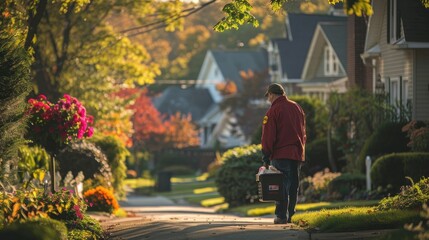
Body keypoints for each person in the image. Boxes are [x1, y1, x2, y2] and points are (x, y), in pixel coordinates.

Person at [261, 83, 306, 224]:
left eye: (268, 96)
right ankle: (292, 214)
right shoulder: (297, 108)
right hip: (297, 153)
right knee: (293, 185)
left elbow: (268, 136)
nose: (268, 99)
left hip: (281, 154)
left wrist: (266, 154)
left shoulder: (273, 111)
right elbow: (303, 131)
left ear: (272, 94)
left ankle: (281, 216)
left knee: (280, 186)